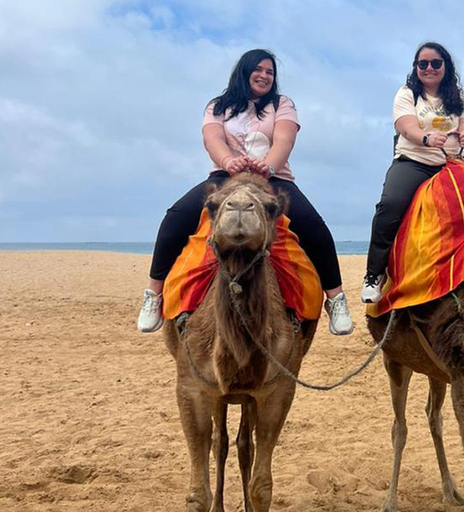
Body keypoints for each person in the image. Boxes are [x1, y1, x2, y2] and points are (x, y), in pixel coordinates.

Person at [137, 49, 354, 335]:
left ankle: (335, 298)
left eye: (270, 72)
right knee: (175, 218)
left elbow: (284, 140)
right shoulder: (218, 105)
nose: (264, 76)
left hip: (274, 180)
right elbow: (212, 138)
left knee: (314, 227)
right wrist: (228, 161)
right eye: (259, 69)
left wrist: (268, 167)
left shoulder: (282, 104)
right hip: (224, 178)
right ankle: (153, 294)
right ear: (244, 71)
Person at [362, 42, 464, 303]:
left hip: (453, 163)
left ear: (446, 66)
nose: (429, 68)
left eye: (436, 63)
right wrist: (424, 138)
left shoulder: (458, 96)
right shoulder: (407, 94)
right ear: (416, 68)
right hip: (414, 161)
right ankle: (373, 274)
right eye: (422, 64)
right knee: (390, 205)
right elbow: (405, 126)